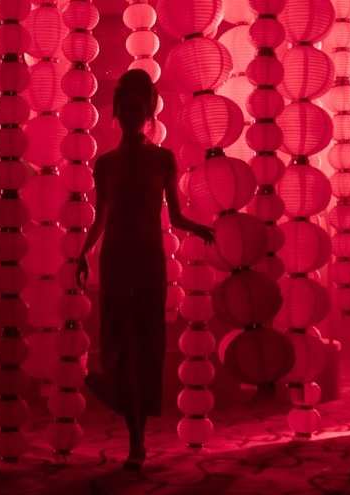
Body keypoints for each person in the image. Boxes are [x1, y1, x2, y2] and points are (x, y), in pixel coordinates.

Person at [75, 69, 214, 470]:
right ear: (119, 112)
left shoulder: (162, 159)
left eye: (141, 108)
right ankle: (130, 428)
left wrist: (197, 227)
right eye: (128, 108)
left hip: (150, 260)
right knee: (119, 343)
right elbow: (100, 218)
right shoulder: (106, 164)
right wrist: (83, 253)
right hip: (117, 258)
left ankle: (136, 439)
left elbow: (176, 214)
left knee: (145, 346)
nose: (135, 114)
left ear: (149, 112)